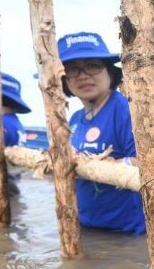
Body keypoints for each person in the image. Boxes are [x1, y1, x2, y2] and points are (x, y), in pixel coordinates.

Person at [58, 31, 146, 235]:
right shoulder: (75, 119)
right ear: (64, 80)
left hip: (126, 233)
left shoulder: (125, 109)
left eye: (92, 66)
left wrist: (101, 166)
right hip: (86, 227)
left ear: (109, 70)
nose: (82, 76)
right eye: (72, 70)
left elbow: (145, 162)